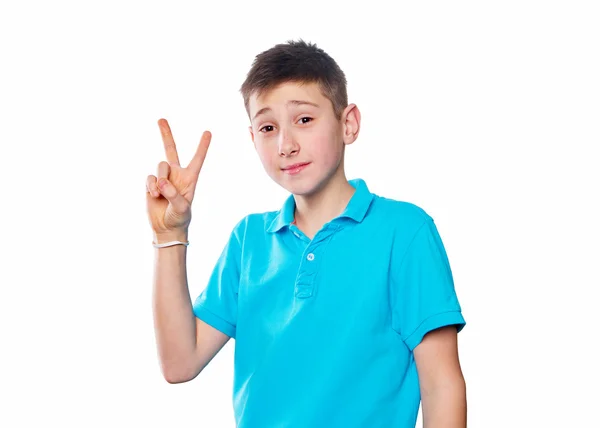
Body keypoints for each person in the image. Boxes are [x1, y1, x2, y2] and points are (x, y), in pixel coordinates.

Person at [146, 39, 467, 428]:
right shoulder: (248, 240)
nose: (286, 145)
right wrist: (170, 237)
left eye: (304, 120)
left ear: (348, 124)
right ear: (253, 140)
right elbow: (180, 363)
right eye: (268, 127)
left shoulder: (405, 232)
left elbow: (441, 386)